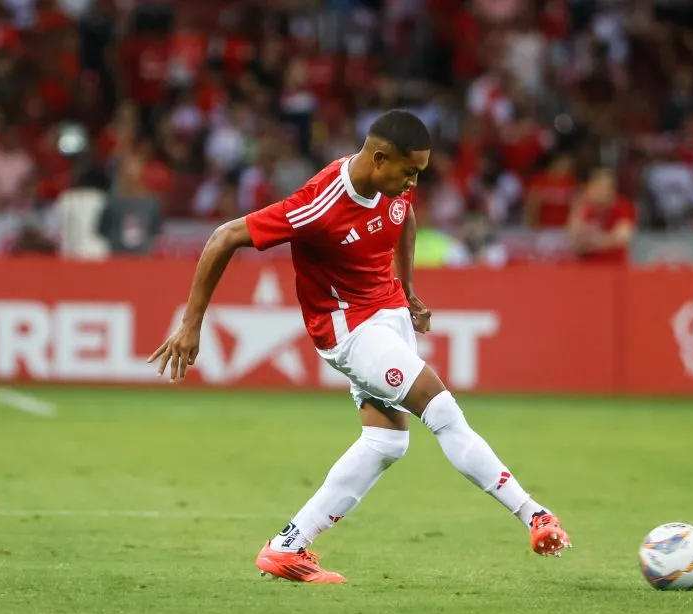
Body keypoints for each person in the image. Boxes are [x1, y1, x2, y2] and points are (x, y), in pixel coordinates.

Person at [148, 110, 571, 584]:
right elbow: (224, 236)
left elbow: (404, 215)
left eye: (419, 174)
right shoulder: (320, 202)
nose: (413, 182)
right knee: (442, 410)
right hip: (350, 331)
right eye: (408, 172)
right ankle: (534, 515)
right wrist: (191, 324)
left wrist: (408, 290)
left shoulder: (396, 184)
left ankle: (287, 547)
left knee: (386, 442)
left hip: (388, 315)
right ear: (378, 157)